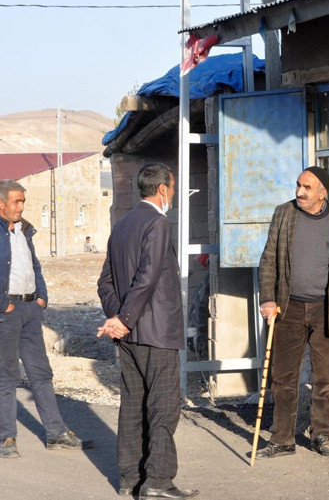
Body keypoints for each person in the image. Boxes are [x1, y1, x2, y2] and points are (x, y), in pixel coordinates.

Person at [0, 179, 93, 458]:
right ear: (0, 204)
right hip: (3, 315)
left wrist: (41, 298)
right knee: (8, 376)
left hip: (30, 311)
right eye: (16, 202)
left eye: (23, 202)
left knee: (41, 373)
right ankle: (7, 438)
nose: (21, 207)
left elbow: (34, 266)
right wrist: (3, 305)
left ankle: (57, 434)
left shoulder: (24, 231)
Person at [97, 163, 198, 499]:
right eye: (173, 188)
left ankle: (129, 478)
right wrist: (123, 318)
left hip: (128, 334)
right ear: (163, 190)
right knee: (164, 405)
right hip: (155, 332)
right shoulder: (157, 222)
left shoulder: (122, 225)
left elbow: (106, 282)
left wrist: (117, 317)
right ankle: (157, 481)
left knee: (133, 404)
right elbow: (148, 276)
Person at [255, 166, 329, 459]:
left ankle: (322, 435)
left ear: (322, 193)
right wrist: (267, 299)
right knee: (282, 376)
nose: (299, 192)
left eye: (306, 187)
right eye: (298, 185)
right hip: (287, 307)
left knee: (325, 377)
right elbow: (268, 261)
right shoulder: (284, 214)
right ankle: (282, 440)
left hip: (327, 309)